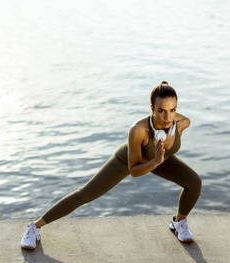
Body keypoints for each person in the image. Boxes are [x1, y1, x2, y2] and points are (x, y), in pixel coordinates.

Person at [21, 81, 202, 249]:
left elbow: (174, 131)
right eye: (161, 110)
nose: (167, 116)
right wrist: (154, 161)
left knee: (194, 182)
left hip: (161, 159)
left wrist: (159, 159)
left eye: (172, 110)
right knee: (85, 194)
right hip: (130, 161)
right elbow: (135, 171)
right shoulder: (139, 130)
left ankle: (178, 222)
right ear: (152, 108)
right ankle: (34, 227)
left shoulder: (181, 123)